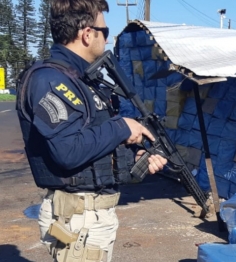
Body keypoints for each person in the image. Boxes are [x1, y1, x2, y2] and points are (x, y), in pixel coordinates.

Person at [15, 0, 167, 261]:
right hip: (77, 217)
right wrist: (122, 127)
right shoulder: (50, 80)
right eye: (105, 32)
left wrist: (137, 154)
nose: (107, 41)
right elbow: (68, 151)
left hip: (90, 215)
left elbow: (96, 141)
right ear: (87, 34)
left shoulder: (85, 82)